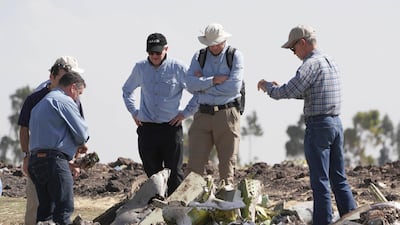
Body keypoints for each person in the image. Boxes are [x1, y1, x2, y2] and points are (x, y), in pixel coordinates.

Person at [257, 25, 356, 225]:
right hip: (335, 124)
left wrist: (268, 86)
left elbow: (285, 92)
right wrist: (280, 88)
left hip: (319, 126)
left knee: (320, 182)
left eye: (293, 49)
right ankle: (353, 219)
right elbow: (308, 92)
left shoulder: (310, 65)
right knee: (339, 178)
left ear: (302, 43)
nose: (294, 54)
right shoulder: (329, 61)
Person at [122, 33, 198, 196]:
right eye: (151, 53)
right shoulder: (140, 68)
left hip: (171, 128)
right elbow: (127, 90)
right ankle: (154, 208)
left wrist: (185, 113)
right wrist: (134, 112)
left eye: (158, 52)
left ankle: (174, 209)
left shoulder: (178, 68)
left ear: (166, 49)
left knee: (174, 174)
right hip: (147, 128)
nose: (154, 56)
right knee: (152, 174)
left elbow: (198, 92)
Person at [17, 56, 84, 225]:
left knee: (50, 209)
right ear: (52, 76)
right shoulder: (35, 98)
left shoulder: (74, 100)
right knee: (40, 206)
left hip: (60, 160)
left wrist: (73, 161)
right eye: (64, 77)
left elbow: (73, 131)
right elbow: (24, 128)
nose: (69, 81)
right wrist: (26, 155)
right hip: (39, 158)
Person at [185, 23, 244, 186]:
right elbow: (190, 85)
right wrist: (213, 80)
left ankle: (226, 206)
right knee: (194, 166)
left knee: (227, 165)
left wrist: (203, 85)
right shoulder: (199, 56)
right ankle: (190, 205)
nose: (216, 46)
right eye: (213, 44)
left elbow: (233, 88)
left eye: (219, 42)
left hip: (227, 114)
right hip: (202, 114)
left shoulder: (235, 56)